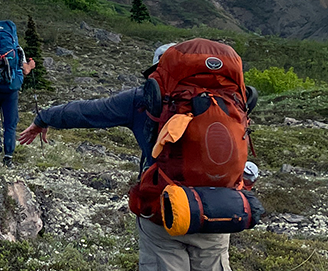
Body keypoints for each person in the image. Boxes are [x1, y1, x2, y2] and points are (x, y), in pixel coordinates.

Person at [19, 42, 239, 271]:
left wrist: (44, 118)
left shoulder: (143, 99)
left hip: (161, 209)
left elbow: (88, 112)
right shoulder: (227, 99)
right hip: (216, 210)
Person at [0, 20, 34, 166]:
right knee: (10, 124)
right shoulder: (17, 50)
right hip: (11, 91)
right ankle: (8, 157)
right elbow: (25, 70)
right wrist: (31, 65)